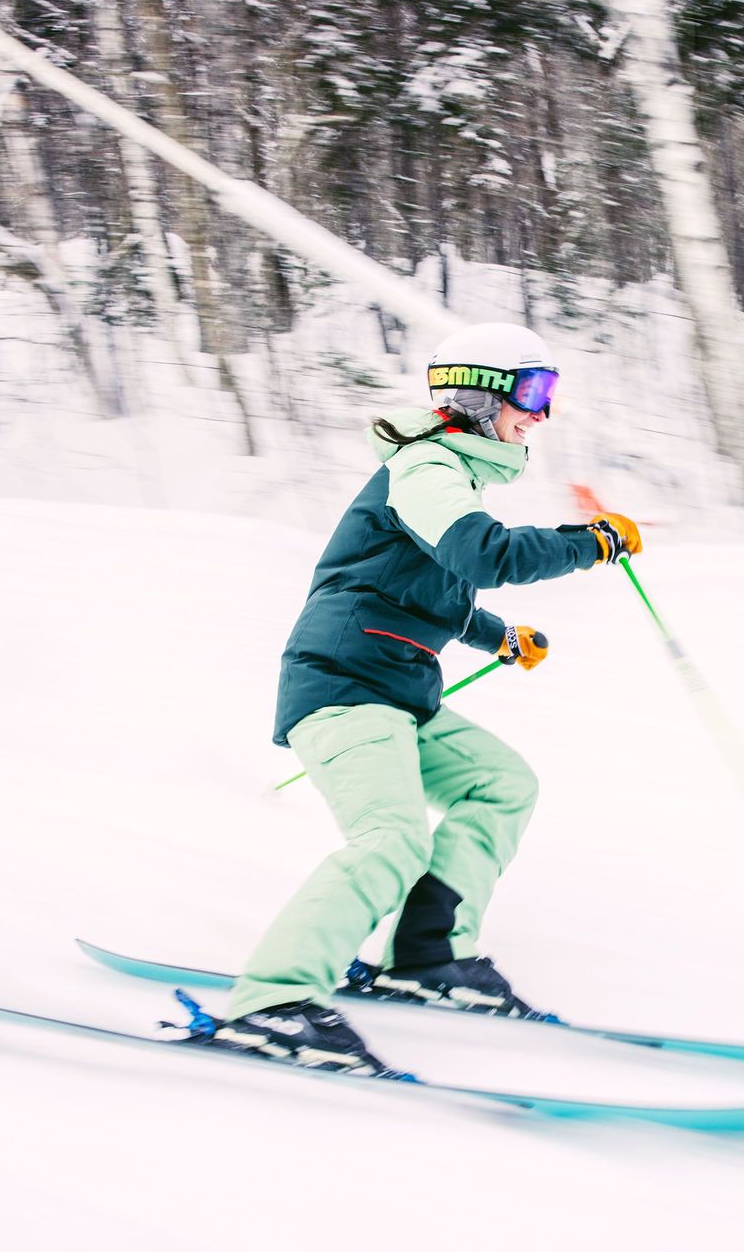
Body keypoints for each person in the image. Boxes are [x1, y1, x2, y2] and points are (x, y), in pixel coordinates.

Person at [206, 321, 643, 1073]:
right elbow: (484, 554)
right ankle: (271, 1001)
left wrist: (499, 636)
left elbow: (436, 590)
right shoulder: (428, 468)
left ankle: (428, 956)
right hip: (343, 687)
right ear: (479, 397)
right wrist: (589, 542)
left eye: (550, 394)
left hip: (395, 692)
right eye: (532, 392)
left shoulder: (449, 478)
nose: (542, 412)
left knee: (501, 783)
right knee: (392, 839)